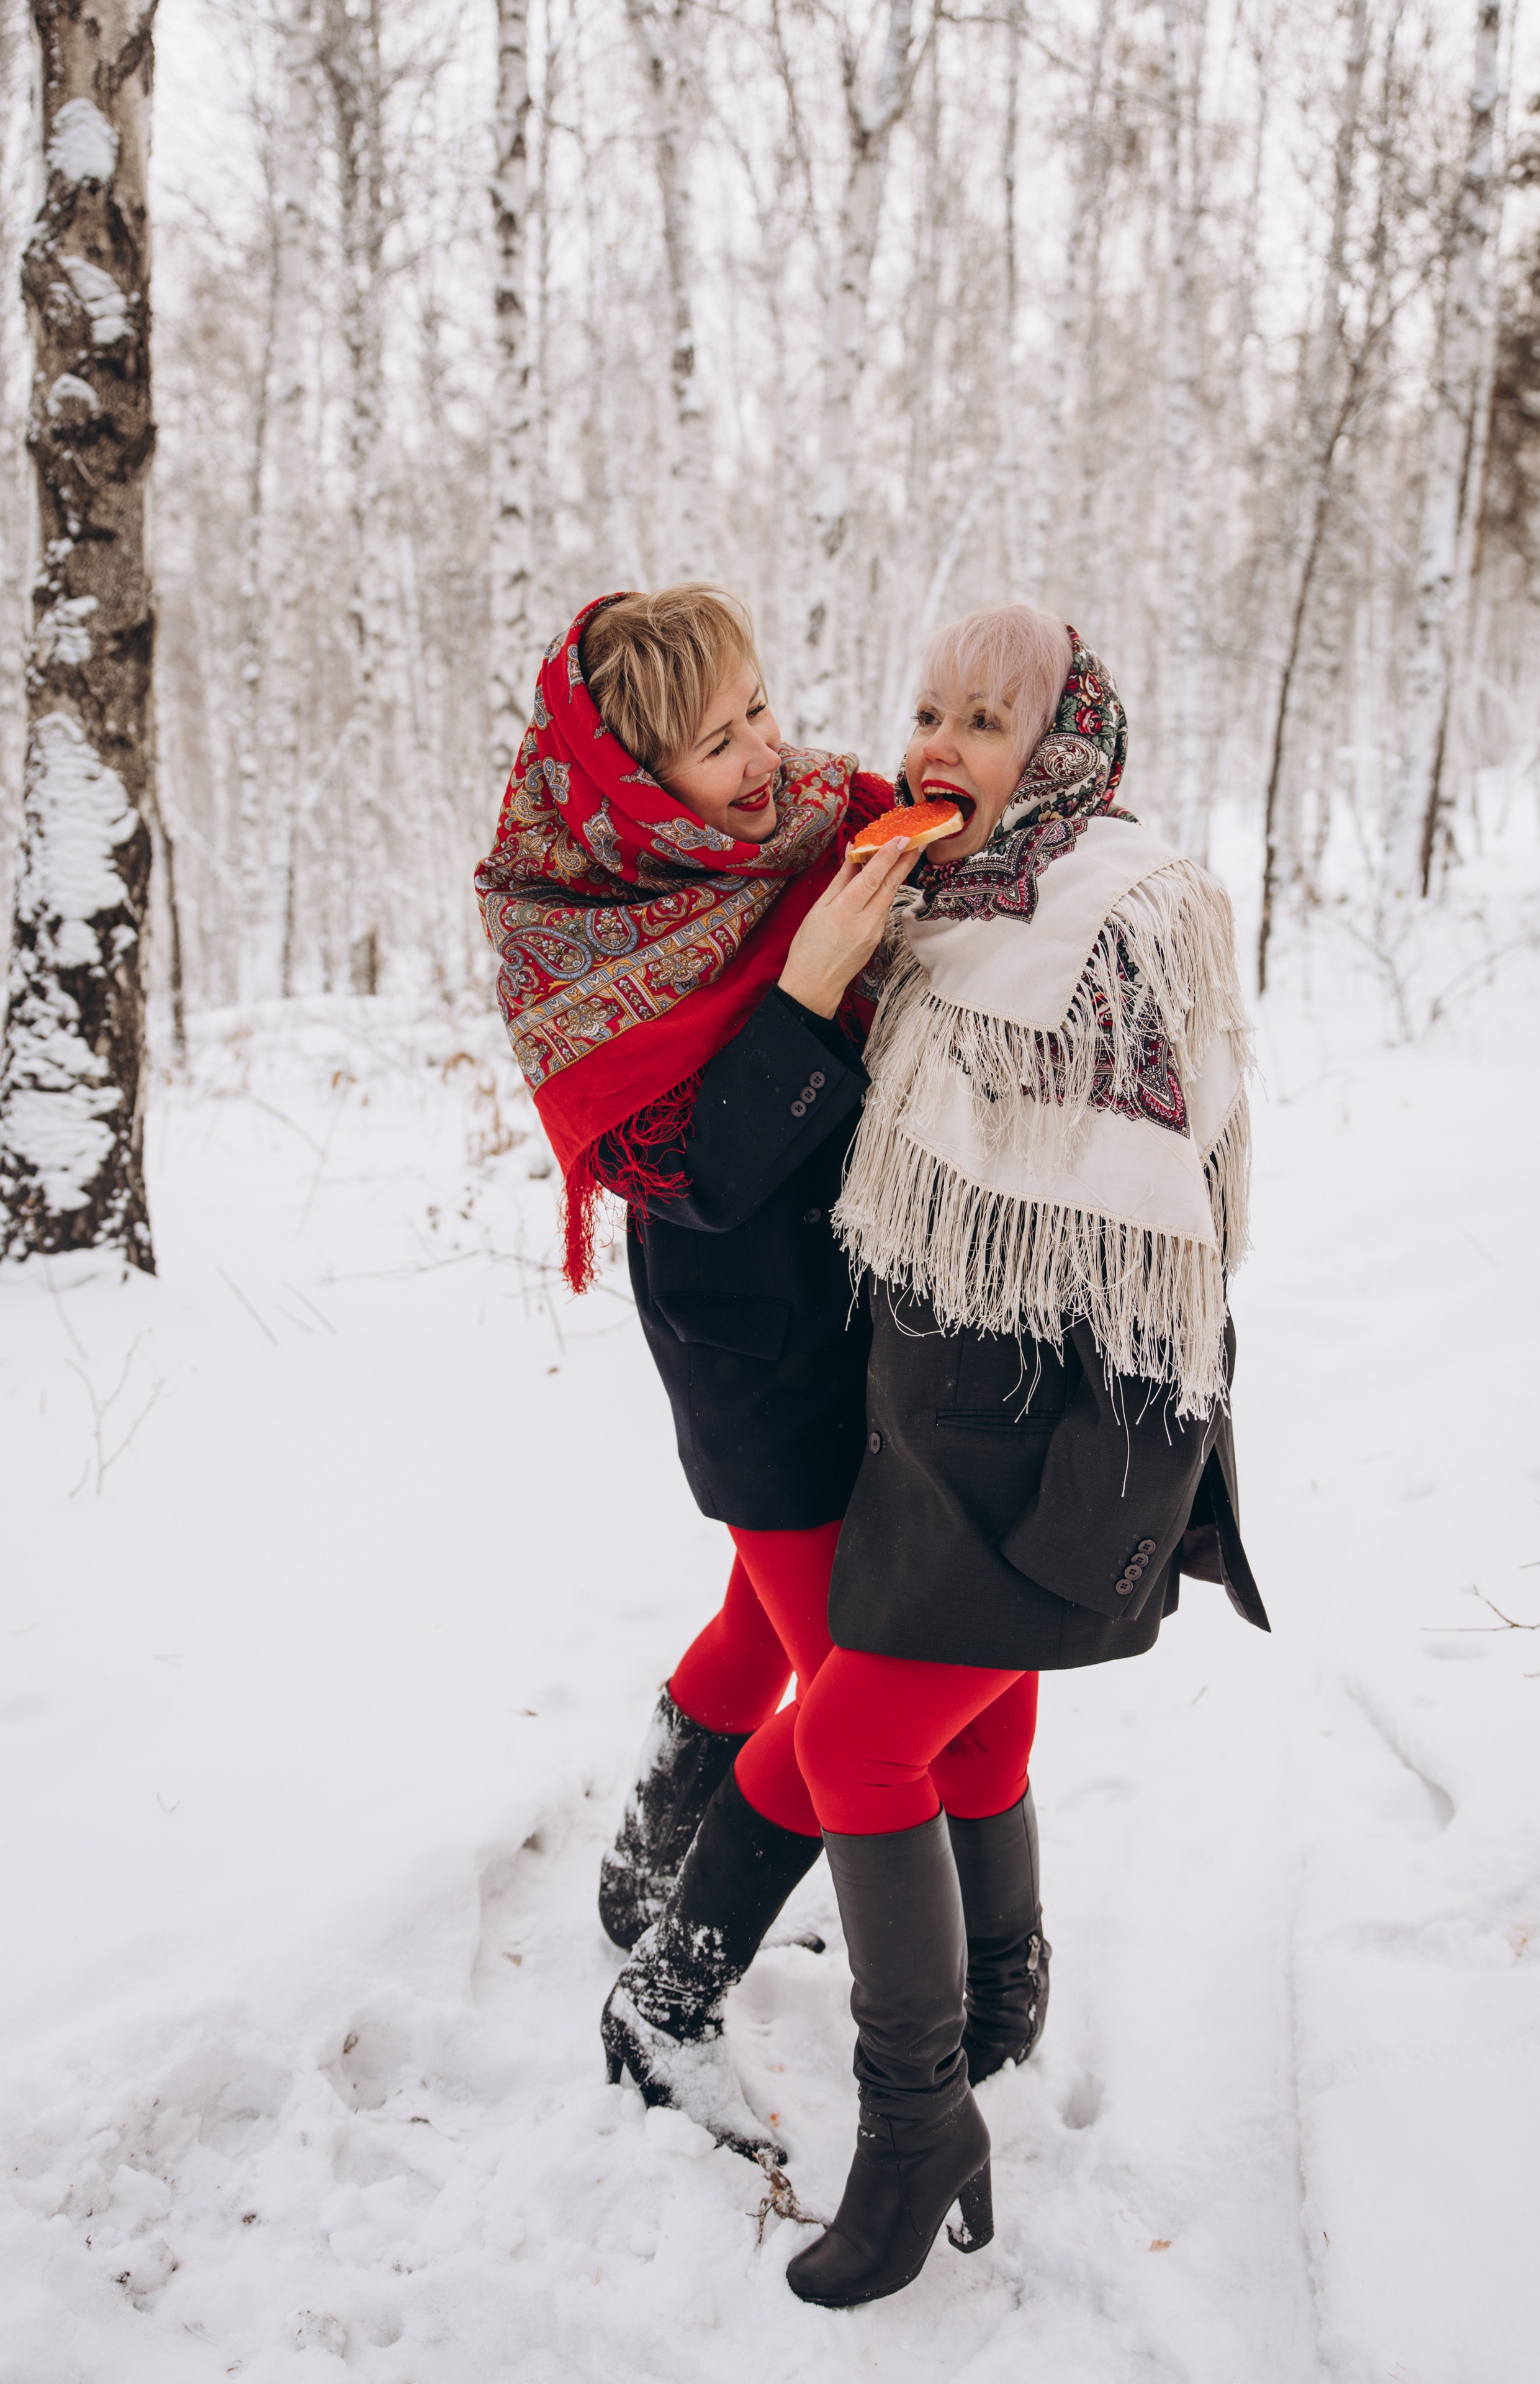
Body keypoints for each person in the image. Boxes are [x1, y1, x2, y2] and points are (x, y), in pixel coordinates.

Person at [475, 587, 1048, 2163]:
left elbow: (997, 845)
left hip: (885, 1311)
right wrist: (807, 983)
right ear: (630, 779)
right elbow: (692, 1177)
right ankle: (667, 1993)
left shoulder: (816, 822)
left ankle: (644, 1856)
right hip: (756, 1347)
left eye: (758, 710)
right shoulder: (572, 914)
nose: (765, 754)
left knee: (764, 1619)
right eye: (715, 743)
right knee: (873, 1692)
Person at [777, 604, 1270, 2308]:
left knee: (854, 1742)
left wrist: (1114, 1496)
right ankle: (1003, 1984)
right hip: (938, 1418)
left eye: (986, 718)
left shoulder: (1118, 917)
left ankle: (914, 2127)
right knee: (976, 1717)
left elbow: (1154, 1232)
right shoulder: (948, 907)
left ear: (1066, 743)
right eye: (925, 708)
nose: (939, 744)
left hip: (1068, 1426)